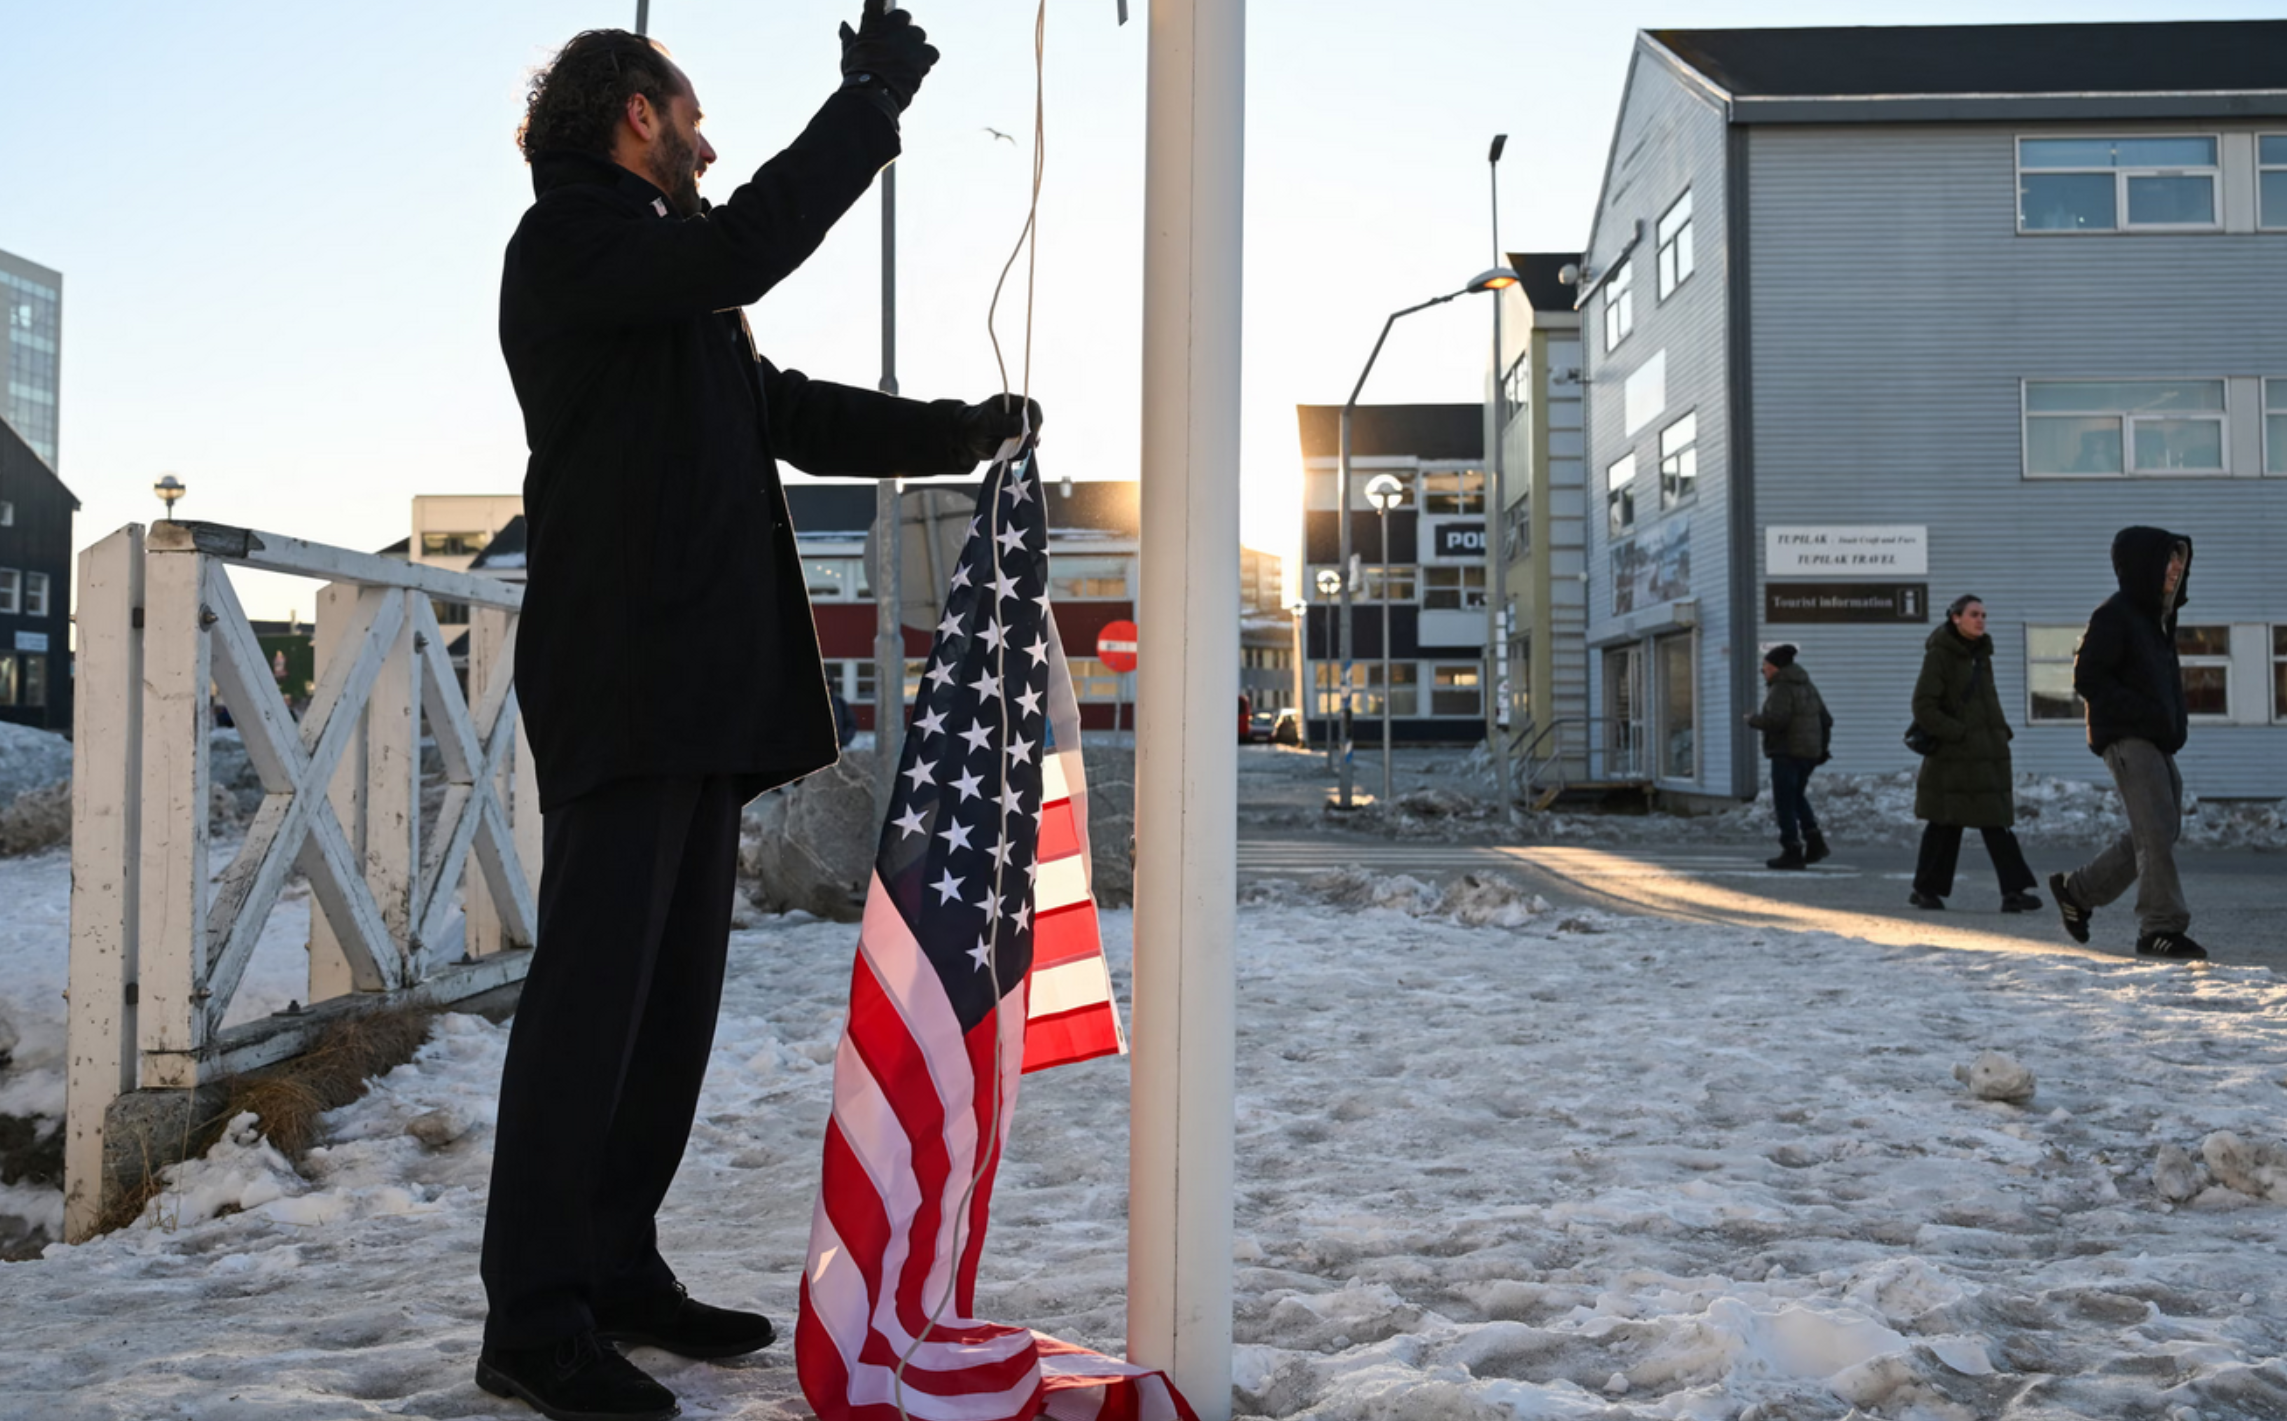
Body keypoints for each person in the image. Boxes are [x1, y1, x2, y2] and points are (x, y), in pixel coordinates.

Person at [479, 14, 1043, 1421]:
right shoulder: (571, 246)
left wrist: (962, 429)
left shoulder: (668, 283)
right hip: (623, 684)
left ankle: (614, 1266)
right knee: (587, 1013)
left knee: (667, 1012)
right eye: (690, 115)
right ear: (631, 117)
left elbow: (782, 409)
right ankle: (533, 1319)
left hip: (694, 692)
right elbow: (745, 241)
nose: (707, 141)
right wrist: (866, 102)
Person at [2050, 528, 2205, 961]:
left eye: (2181, 561)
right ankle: (2159, 929)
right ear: (2144, 565)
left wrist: (2169, 723)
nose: (2177, 568)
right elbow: (2088, 678)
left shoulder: (2156, 619)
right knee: (2154, 831)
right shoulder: (2115, 615)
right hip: (2127, 738)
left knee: (2160, 828)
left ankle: (2077, 892)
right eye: (2169, 560)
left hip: (2155, 739)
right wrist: (2142, 714)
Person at [1907, 595, 2040, 912]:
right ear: (1956, 618)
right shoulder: (1941, 655)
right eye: (1974, 614)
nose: (1981, 620)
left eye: (1983, 615)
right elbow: (1923, 706)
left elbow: (1985, 704)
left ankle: (2012, 891)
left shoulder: (1979, 655)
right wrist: (1959, 734)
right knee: (1946, 824)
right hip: (1954, 759)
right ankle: (1928, 889)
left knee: (1992, 823)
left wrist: (1999, 731)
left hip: (1984, 756)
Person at [1745, 643, 1829, 870]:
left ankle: (1792, 849)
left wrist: (1752, 719)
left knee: (1784, 801)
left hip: (1787, 752)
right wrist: (1822, 749)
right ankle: (1814, 840)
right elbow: (1826, 718)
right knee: (1796, 796)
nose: (1763, 670)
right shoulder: (1807, 686)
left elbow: (1777, 721)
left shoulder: (1781, 688)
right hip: (1809, 753)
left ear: (1776, 668)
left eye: (1766, 666)